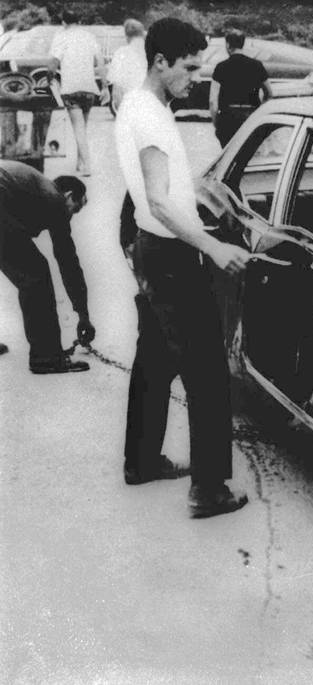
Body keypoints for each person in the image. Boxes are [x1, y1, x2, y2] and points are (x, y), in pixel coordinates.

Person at [115, 17, 250, 517]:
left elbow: (161, 193)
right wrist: (212, 249)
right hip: (170, 255)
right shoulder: (150, 116)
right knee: (208, 373)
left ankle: (142, 461)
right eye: (190, 68)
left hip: (152, 248)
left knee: (154, 357)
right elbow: (157, 198)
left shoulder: (137, 103)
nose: (197, 78)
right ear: (161, 62)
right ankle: (209, 490)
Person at [0, 161, 94, 374]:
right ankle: (46, 358)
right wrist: (83, 314)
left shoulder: (38, 190)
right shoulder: (54, 200)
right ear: (69, 196)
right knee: (36, 275)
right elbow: (68, 261)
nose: (71, 216)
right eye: (76, 209)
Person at [49, 10, 101, 176]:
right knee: (82, 129)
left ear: (64, 23)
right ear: (78, 21)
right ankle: (79, 163)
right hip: (90, 89)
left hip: (71, 89)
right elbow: (100, 61)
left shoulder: (61, 36)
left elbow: (53, 64)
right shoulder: (89, 36)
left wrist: (50, 78)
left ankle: (87, 166)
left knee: (78, 130)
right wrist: (105, 86)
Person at [209, 29, 272, 147]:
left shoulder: (221, 67)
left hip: (228, 119)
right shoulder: (257, 65)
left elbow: (213, 101)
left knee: (227, 157)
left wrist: (216, 123)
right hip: (250, 117)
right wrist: (260, 112)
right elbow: (269, 93)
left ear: (228, 45)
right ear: (243, 44)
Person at [105, 19, 147, 112]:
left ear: (127, 36)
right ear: (142, 33)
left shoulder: (121, 53)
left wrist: (119, 109)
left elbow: (117, 87)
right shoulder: (153, 53)